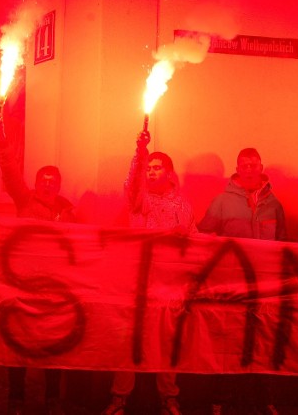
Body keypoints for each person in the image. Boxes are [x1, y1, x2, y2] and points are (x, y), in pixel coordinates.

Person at [100, 129, 196, 415]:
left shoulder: (183, 204)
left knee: (168, 340)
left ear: (169, 172)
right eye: (149, 169)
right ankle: (119, 399)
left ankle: (169, 397)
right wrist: (140, 153)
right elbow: (132, 186)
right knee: (131, 338)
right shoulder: (139, 200)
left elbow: (194, 240)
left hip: (171, 283)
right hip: (139, 280)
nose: (152, 173)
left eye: (158, 168)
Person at [0, 116, 72, 415]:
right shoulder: (24, 200)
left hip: (54, 289)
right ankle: (16, 397)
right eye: (44, 180)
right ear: (37, 183)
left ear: (59, 184)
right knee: (19, 341)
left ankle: (52, 398)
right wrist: (1, 139)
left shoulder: (69, 211)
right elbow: (10, 171)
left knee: (53, 342)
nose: (49, 184)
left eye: (54, 181)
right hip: (23, 283)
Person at [198, 148, 285, 415]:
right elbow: (203, 241)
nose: (248, 169)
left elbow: (282, 245)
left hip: (264, 287)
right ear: (237, 168)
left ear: (261, 166)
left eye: (253, 164)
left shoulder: (274, 204)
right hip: (231, 286)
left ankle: (265, 400)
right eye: (243, 165)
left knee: (264, 342)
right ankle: (219, 400)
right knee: (226, 342)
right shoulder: (221, 202)